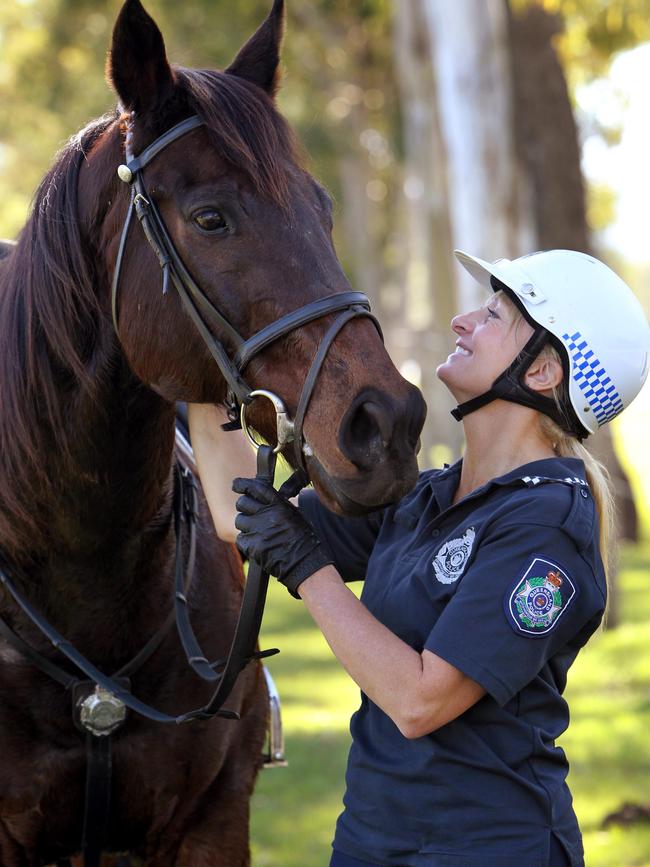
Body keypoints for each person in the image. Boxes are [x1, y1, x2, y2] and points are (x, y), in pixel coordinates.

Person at [188, 249, 650, 867]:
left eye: (493, 316)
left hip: (487, 849)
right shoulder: (428, 494)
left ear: (542, 370)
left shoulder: (548, 527)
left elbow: (419, 701)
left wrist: (307, 569)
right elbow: (234, 513)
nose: (463, 321)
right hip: (371, 842)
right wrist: (198, 368)